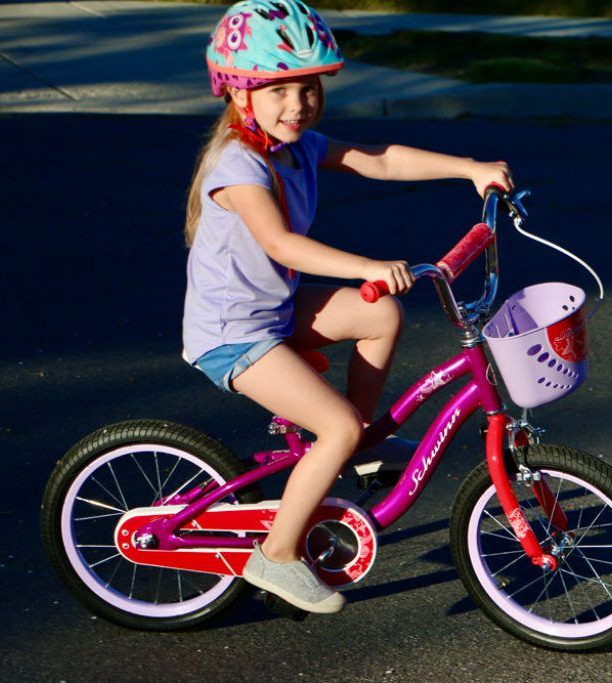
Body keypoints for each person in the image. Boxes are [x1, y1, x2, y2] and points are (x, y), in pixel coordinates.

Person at [183, 0, 513, 614]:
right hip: (232, 334)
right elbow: (281, 244)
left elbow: (380, 158)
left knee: (379, 315)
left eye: (308, 88)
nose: (298, 104)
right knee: (333, 425)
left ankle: (358, 443)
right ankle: (276, 555)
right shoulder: (238, 165)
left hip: (275, 310)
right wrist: (366, 266)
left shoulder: (297, 147)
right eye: (278, 90)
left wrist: (469, 169)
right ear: (238, 94)